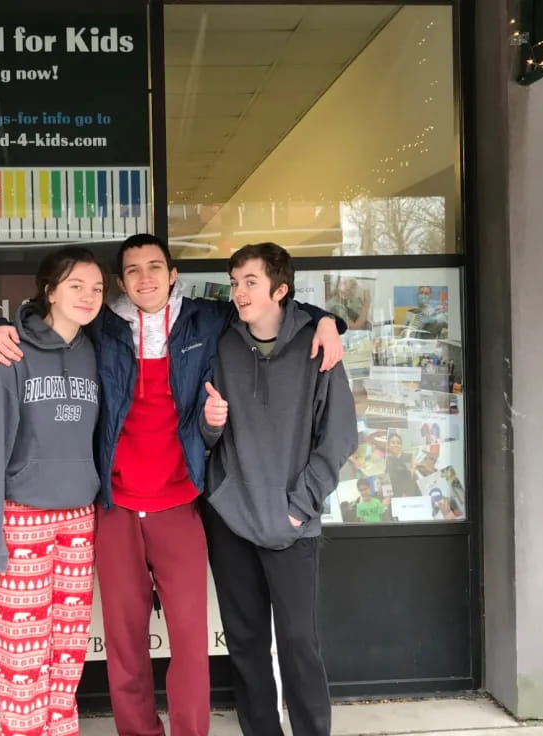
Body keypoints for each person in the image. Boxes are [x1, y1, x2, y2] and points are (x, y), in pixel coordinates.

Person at [0, 234, 346, 736]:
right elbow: (49, 324)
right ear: (121, 281)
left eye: (156, 267)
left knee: (191, 642)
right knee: (125, 642)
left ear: (174, 275)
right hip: (115, 506)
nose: (145, 277)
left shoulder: (207, 318)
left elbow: (268, 305)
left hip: (181, 502)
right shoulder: (103, 327)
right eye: (133, 270)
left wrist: (328, 320)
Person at [200, 242, 358, 736]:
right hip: (231, 520)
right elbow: (204, 432)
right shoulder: (220, 345)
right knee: (245, 644)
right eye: (234, 282)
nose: (239, 292)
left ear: (280, 289)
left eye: (250, 281)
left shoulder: (318, 344)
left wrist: (300, 507)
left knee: (298, 644)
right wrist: (208, 426)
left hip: (293, 523)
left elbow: (338, 437)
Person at [0, 247, 105, 736]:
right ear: (50, 291)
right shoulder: (9, 353)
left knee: (67, 654)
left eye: (96, 288)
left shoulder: (95, 349)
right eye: (76, 286)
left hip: (79, 518)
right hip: (21, 517)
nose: (88, 297)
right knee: (22, 656)